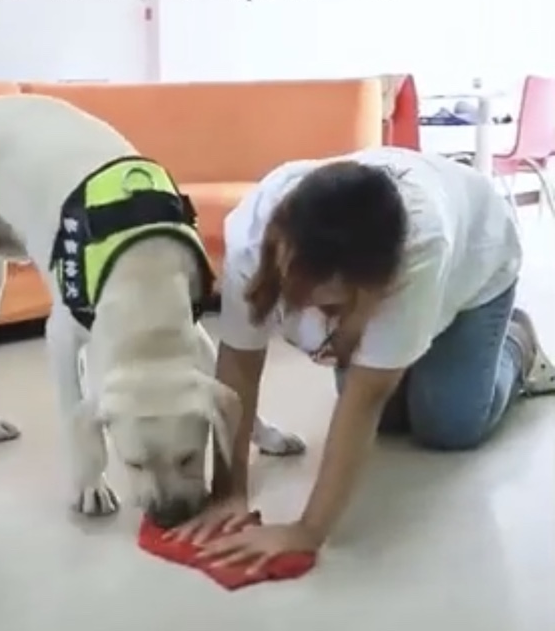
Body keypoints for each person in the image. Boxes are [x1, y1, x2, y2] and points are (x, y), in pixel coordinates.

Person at [171, 147, 555, 570]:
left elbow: (365, 397)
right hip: (396, 265)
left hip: (477, 268)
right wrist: (229, 492)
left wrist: (308, 531)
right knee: (389, 423)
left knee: (449, 425)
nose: (310, 312)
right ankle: (416, 350)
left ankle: (518, 342)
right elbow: (239, 365)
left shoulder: (419, 250)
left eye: (332, 307)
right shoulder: (255, 232)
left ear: (378, 288)